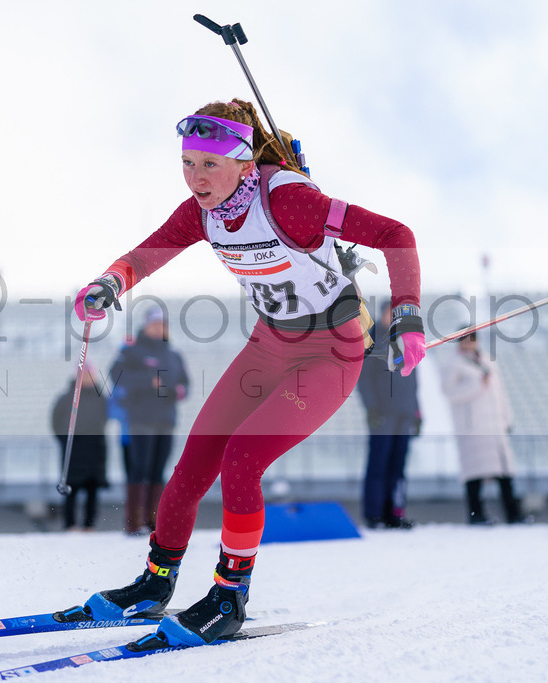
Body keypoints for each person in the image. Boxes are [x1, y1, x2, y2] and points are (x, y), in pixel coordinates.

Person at [54, 99, 424, 649]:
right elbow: (146, 256)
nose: (195, 177)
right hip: (269, 343)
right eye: (187, 162)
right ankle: (156, 583)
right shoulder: (201, 212)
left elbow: (397, 234)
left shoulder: (292, 201)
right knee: (197, 457)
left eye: (209, 164)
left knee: (243, 457)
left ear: (244, 163)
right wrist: (107, 285)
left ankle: (230, 596)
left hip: (330, 353)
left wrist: (409, 316)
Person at [109, 307, 189, 534]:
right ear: (146, 325)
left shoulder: (173, 355)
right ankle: (133, 523)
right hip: (141, 419)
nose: (158, 328)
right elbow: (117, 376)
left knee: (158, 470)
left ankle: (154, 521)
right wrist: (148, 381)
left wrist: (177, 390)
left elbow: (185, 384)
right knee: (139, 468)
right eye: (154, 324)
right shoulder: (133, 351)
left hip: (166, 419)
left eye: (162, 324)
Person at [441, 330, 524, 525]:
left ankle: (513, 514)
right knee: (474, 475)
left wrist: (506, 418)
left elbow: (499, 392)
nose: (470, 343)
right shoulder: (454, 363)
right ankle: (476, 515)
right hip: (473, 425)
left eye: (473, 339)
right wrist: (477, 384)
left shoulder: (487, 360)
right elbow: (449, 392)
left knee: (504, 474)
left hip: (494, 425)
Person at [356, 302, 421, 529]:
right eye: (389, 312)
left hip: (404, 413)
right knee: (379, 464)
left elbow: (412, 379)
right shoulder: (372, 341)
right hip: (383, 414)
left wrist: (417, 410)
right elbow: (363, 379)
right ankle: (374, 514)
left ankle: (395, 512)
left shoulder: (405, 341)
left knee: (398, 466)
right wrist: (372, 409)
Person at [51, 362, 109, 531]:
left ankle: (89, 524)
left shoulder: (100, 398)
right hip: (74, 449)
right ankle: (70, 524)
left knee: (93, 488)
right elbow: (56, 420)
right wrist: (65, 439)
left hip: (95, 448)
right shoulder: (67, 397)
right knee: (71, 487)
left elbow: (105, 418)